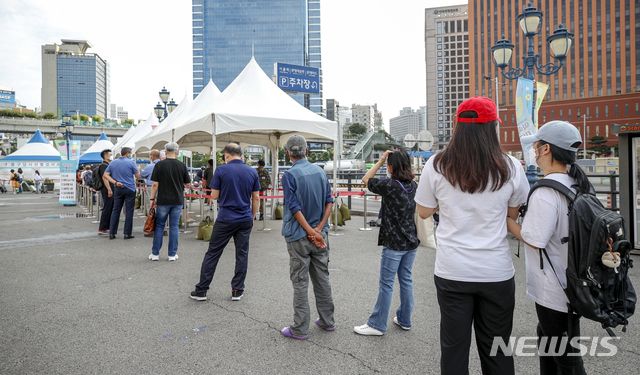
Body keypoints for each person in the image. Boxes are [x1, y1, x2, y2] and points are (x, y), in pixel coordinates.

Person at [414, 96, 529, 375]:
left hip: (453, 270)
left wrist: (449, 200)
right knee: (497, 352)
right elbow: (512, 214)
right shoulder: (511, 166)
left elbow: (424, 212)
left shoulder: (437, 164)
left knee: (453, 351)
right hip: (496, 272)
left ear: (457, 126)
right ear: (492, 127)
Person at [507, 121, 588, 375]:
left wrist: (507, 221)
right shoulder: (578, 183)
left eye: (537, 146)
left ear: (547, 150)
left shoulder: (546, 191)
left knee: (566, 356)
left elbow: (533, 238)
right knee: (547, 339)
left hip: (554, 288)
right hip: (575, 282)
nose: (533, 150)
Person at [354, 149, 419, 336]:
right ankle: (405, 320)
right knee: (406, 280)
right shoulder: (413, 185)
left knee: (386, 284)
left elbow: (366, 179)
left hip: (394, 243)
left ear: (391, 166)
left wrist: (381, 160)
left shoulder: (390, 185)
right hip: (411, 242)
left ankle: (377, 324)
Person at [279, 135, 335, 340]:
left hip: (298, 235)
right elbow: (329, 201)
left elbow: (294, 208)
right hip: (321, 235)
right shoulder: (320, 172)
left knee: (300, 280)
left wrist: (310, 231)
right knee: (322, 277)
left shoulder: (289, 175)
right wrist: (318, 229)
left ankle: (300, 328)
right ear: (307, 152)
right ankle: (328, 320)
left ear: (288, 154)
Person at [190, 143, 260, 302]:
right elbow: (256, 198)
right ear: (241, 155)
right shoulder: (251, 171)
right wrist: (252, 216)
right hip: (245, 218)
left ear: (226, 155)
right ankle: (237, 290)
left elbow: (214, 196)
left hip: (226, 218)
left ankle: (202, 290)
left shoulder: (221, 170)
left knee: (213, 253)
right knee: (242, 254)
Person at [148, 143, 191, 261]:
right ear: (176, 152)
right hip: (177, 200)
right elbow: (187, 183)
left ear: (165, 152)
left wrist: (152, 199)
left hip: (163, 200)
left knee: (159, 226)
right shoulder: (182, 165)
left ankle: (155, 254)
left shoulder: (159, 165)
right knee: (174, 227)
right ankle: (172, 254)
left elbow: (155, 184)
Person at [103, 147, 141, 240]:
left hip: (118, 188)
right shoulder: (131, 162)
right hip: (129, 189)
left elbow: (105, 175)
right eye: (130, 153)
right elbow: (138, 176)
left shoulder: (113, 162)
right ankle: (127, 233)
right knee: (129, 211)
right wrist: (138, 169)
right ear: (127, 154)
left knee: (116, 210)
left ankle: (112, 233)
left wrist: (115, 182)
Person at [140, 149, 161, 237]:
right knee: (161, 207)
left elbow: (141, 176)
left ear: (152, 156)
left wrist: (139, 170)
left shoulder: (150, 166)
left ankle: (152, 228)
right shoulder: (163, 164)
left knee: (151, 207)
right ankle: (161, 228)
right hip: (162, 188)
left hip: (151, 187)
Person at [97, 149, 114, 235]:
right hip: (106, 190)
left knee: (110, 208)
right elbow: (105, 178)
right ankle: (102, 228)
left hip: (108, 189)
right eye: (111, 154)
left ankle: (107, 226)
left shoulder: (108, 164)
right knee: (107, 208)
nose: (112, 156)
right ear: (106, 156)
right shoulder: (104, 165)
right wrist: (109, 189)